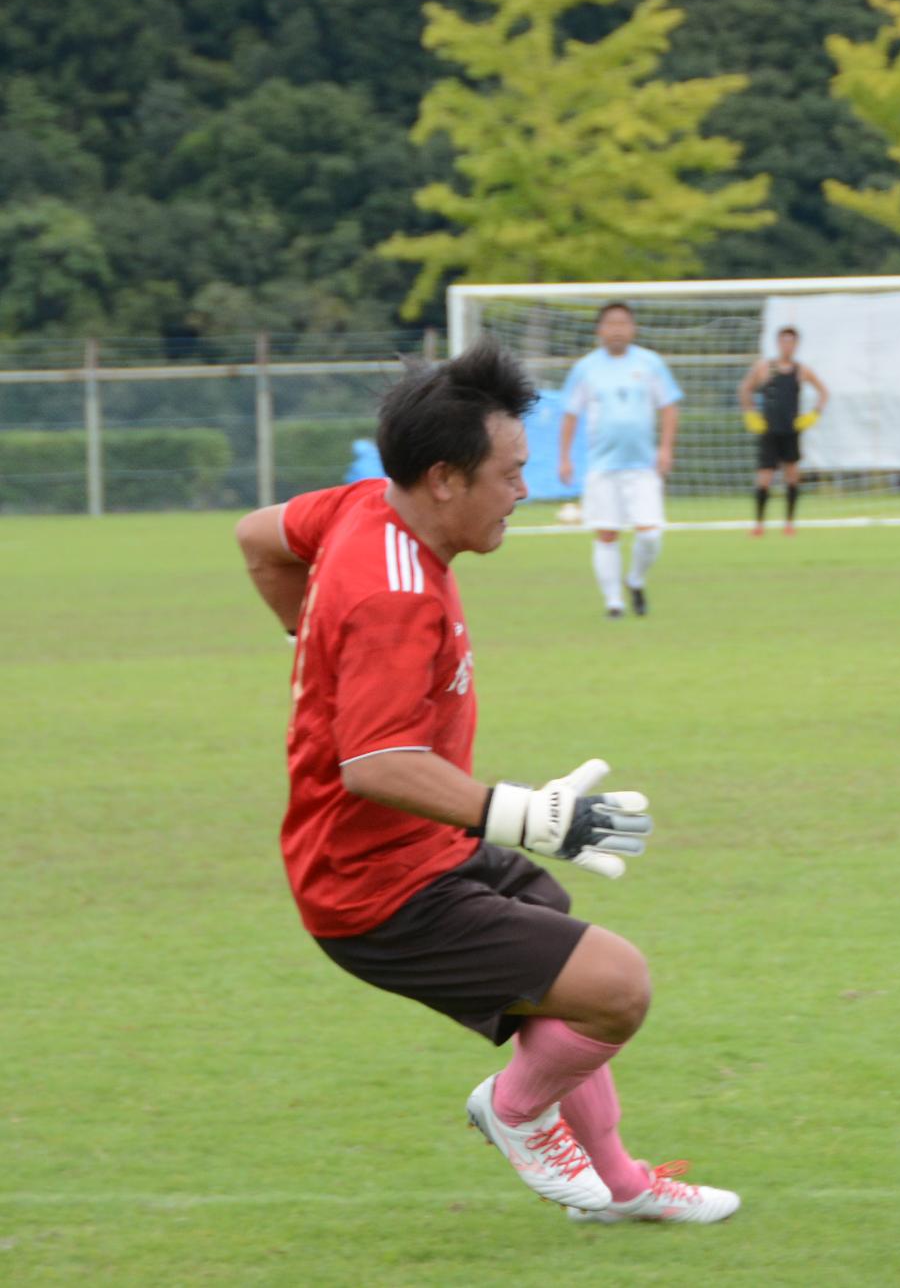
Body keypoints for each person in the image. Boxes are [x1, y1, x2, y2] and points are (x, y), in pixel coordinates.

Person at [234, 340, 738, 1226]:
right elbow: (377, 764)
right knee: (617, 988)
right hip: (375, 890)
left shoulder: (361, 506)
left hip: (428, 849)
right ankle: (512, 1112)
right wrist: (526, 816)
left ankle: (619, 1189)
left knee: (569, 977)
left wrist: (310, 649)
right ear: (442, 478)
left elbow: (257, 539)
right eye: (509, 474)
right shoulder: (393, 598)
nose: (524, 490)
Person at [557, 302, 682, 616]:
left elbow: (669, 406)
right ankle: (613, 602)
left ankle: (635, 579)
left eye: (623, 323)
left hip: (642, 467)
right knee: (607, 533)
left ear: (633, 328)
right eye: (610, 323)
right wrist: (565, 458)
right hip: (602, 466)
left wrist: (666, 448)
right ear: (600, 330)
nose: (617, 329)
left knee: (650, 534)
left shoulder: (650, 363)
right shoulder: (586, 368)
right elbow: (570, 414)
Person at [737, 326, 829, 537]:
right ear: (778, 343)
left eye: (791, 342)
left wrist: (814, 414)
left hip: (790, 431)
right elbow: (744, 389)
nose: (787, 345)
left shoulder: (801, 370)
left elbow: (823, 392)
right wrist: (750, 413)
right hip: (769, 430)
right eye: (783, 341)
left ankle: (789, 522)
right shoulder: (765, 367)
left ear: (796, 345)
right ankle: (759, 523)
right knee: (764, 478)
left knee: (792, 477)